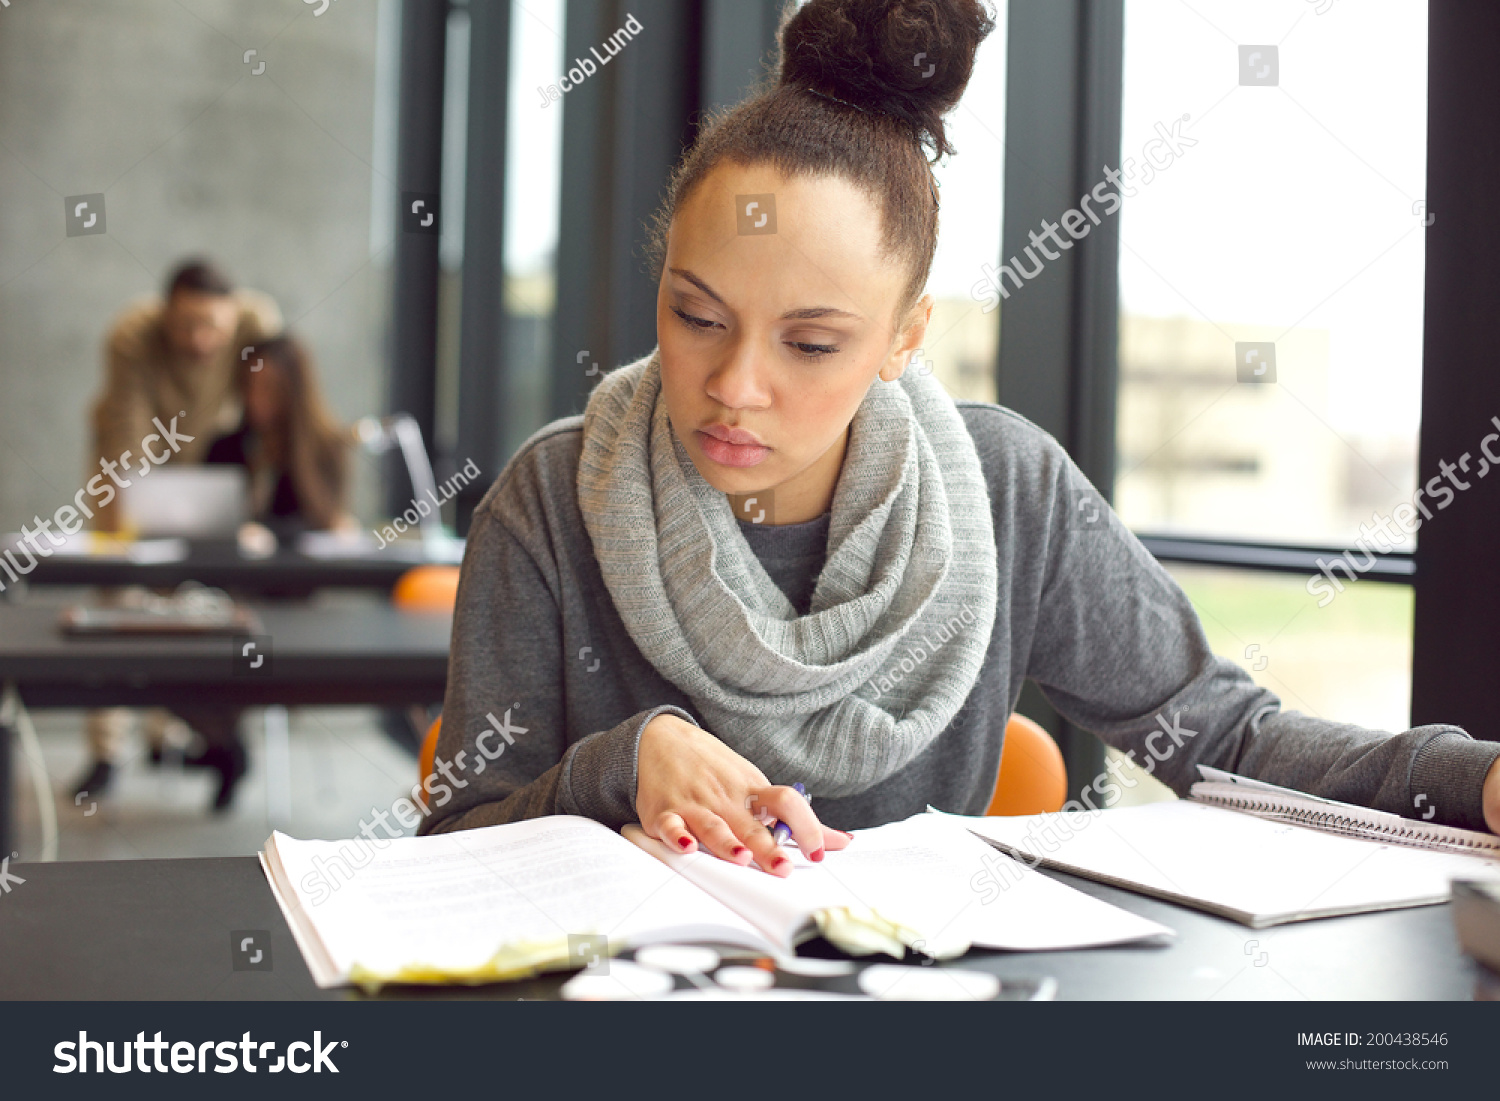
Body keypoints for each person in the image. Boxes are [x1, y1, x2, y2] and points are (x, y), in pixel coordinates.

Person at [419, 0, 1500, 872]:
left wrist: (1478, 782)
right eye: (696, 315)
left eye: (812, 344)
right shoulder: (558, 495)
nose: (734, 386)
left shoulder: (1004, 488)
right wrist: (621, 763)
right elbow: (446, 854)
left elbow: (1228, 741)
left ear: (903, 338)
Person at [74, 259, 281, 809]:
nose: (200, 338)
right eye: (186, 325)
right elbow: (129, 431)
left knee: (186, 606)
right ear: (165, 313)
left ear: (233, 313)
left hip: (202, 473)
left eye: (212, 325)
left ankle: (170, 736)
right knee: (117, 598)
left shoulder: (258, 321)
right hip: (124, 471)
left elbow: (276, 395)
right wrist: (142, 518)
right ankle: (106, 753)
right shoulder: (132, 335)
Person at [206, 334, 355, 546]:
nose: (255, 398)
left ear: (292, 389)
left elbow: (326, 522)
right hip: (231, 572)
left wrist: (270, 535)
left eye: (268, 387)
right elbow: (207, 521)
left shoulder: (327, 448)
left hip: (298, 572)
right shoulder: (223, 448)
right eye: (249, 385)